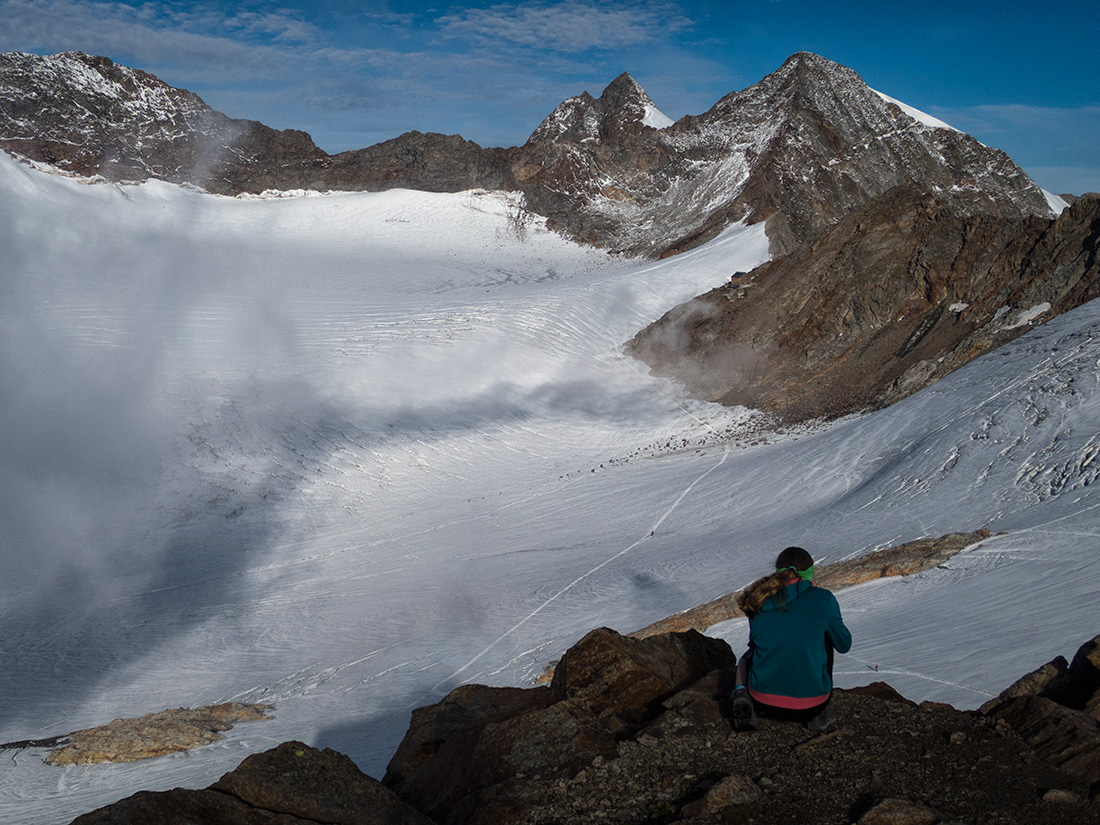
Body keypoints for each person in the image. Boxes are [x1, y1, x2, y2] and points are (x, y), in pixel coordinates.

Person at [730, 546, 851, 732]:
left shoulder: (759, 599)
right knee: (824, 638)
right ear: (809, 572)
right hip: (813, 705)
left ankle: (740, 692)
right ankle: (815, 709)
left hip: (762, 700)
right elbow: (844, 645)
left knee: (749, 654)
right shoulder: (823, 599)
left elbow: (756, 642)